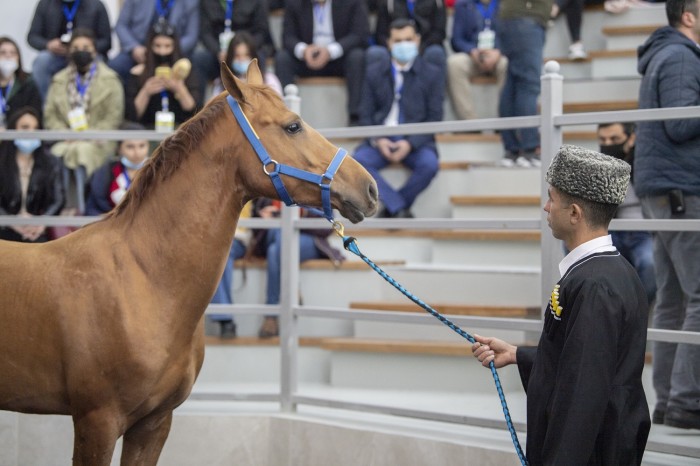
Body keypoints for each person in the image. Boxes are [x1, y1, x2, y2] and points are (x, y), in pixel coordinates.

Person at [472, 145, 650, 465]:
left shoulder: (595, 287)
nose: (545, 207)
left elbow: (582, 393)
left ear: (574, 213)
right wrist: (518, 355)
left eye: (551, 198)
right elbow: (579, 360)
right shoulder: (606, 272)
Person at [635, 0, 700, 430]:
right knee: (696, 297)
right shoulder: (679, 55)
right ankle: (686, 403)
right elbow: (680, 123)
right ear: (689, 16)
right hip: (682, 189)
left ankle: (669, 402)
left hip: (665, 189)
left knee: (674, 300)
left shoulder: (667, 53)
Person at [353, 19, 442, 218]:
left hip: (415, 141)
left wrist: (410, 144)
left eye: (409, 39)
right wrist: (378, 140)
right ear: (389, 43)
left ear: (418, 40)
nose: (404, 45)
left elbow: (435, 118)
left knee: (429, 164)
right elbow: (365, 115)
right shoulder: (374, 72)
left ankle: (395, 205)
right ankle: (399, 207)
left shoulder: (431, 74)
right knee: (357, 162)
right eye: (398, 40)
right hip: (381, 138)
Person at [44, 29, 124, 214]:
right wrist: (67, 135)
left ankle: (76, 208)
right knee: (61, 152)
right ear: (69, 51)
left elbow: (113, 117)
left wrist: (86, 137)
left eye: (86, 47)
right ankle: (65, 206)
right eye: (76, 47)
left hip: (99, 141)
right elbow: (50, 116)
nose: (81, 51)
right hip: (65, 140)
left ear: (95, 51)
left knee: (81, 152)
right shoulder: (58, 80)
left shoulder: (111, 80)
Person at [251, 199, 345, 338]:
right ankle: (292, 286)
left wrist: (299, 215)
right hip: (275, 240)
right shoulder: (265, 184)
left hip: (307, 240)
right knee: (277, 240)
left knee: (276, 247)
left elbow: (327, 227)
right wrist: (264, 219)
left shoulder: (313, 182)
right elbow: (254, 230)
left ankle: (270, 317)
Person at [275, 0, 369, 126]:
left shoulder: (352, 2)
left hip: (338, 58)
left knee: (357, 57)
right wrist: (304, 50)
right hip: (307, 59)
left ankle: (355, 116)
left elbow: (359, 35)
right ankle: (285, 117)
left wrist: (330, 51)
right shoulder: (294, 3)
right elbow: (287, 37)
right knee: (282, 58)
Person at [597, 122, 656, 306]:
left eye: (614, 139)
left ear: (631, 138)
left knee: (649, 264)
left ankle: (634, 310)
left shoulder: (645, 163)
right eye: (602, 139)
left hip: (644, 233)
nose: (608, 144)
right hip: (613, 233)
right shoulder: (599, 167)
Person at [496, 0, 551, 167]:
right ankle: (529, 149)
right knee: (528, 85)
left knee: (513, 85)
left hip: (515, 18)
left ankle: (512, 150)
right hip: (526, 16)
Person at [0, 107, 64, 243]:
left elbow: (58, 200)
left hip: (37, 232)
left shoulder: (51, 163)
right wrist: (11, 222)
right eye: (25, 127)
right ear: (13, 129)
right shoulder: (1, 160)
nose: (31, 132)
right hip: (4, 230)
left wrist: (41, 223)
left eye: (35, 128)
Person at [26, 0, 112, 101]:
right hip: (57, 55)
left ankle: (95, 106)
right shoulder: (45, 4)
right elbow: (32, 37)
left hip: (86, 54)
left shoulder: (96, 5)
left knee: (99, 64)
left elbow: (106, 41)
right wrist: (48, 44)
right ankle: (47, 107)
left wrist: (86, 47)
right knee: (41, 62)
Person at [125, 21, 201, 131]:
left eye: (167, 46)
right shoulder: (138, 72)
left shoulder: (187, 72)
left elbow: (193, 110)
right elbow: (132, 115)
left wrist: (179, 89)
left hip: (180, 131)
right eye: (157, 46)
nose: (162, 52)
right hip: (147, 131)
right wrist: (146, 91)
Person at [192, 0, 274, 102]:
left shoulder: (257, 2)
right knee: (199, 59)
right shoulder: (207, 2)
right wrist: (218, 51)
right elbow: (205, 33)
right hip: (219, 54)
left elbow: (261, 31)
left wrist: (244, 50)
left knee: (259, 58)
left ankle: (258, 102)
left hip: (247, 51)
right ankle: (198, 110)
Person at [109, 0, 200, 86]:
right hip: (140, 50)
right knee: (116, 66)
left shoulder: (190, 2)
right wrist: (134, 47)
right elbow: (121, 26)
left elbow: (192, 37)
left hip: (173, 53)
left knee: (194, 67)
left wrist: (171, 49)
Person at [447, 0, 507, 121]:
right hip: (472, 55)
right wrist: (472, 51)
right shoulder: (462, 5)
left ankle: (503, 119)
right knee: (454, 63)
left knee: (506, 64)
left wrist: (498, 52)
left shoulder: (505, 4)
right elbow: (456, 40)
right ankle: (470, 121)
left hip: (498, 55)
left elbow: (511, 35)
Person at [84, 122, 149, 216]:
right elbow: (92, 209)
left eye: (142, 146)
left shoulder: (158, 172)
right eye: (130, 147)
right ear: (119, 149)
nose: (137, 152)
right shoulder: (105, 172)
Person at [374, 0, 447, 69]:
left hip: (426, 46)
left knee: (436, 52)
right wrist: (393, 48)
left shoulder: (437, 2)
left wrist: (420, 48)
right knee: (376, 53)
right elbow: (381, 33)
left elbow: (439, 32)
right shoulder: (388, 2)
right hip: (394, 48)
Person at [211, 31, 283, 98]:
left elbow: (278, 107)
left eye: (246, 55)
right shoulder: (221, 84)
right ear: (230, 58)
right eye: (237, 56)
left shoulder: (270, 80)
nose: (242, 59)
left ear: (254, 57)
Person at [0, 37, 42, 128]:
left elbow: (35, 113)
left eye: (13, 53)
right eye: (3, 53)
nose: (8, 56)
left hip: (18, 135)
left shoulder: (28, 84)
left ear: (18, 58)